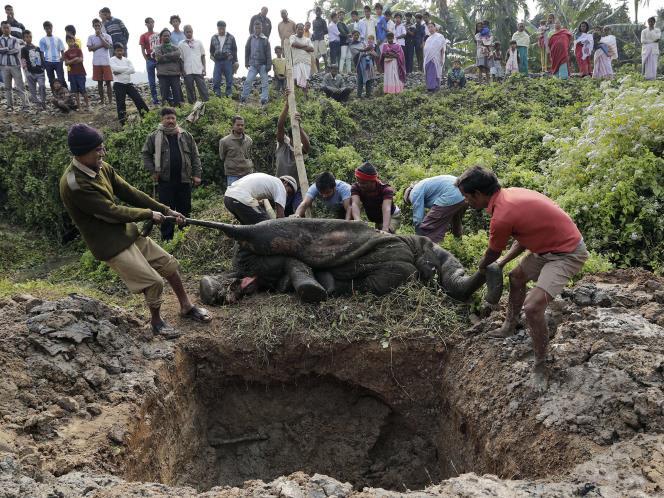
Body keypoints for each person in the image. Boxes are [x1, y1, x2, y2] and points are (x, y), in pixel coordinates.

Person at [61, 124, 210, 339]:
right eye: (97, 150)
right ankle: (157, 323)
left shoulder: (101, 167)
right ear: (81, 154)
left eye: (102, 148)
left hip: (126, 232)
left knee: (168, 263)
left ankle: (186, 306)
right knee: (153, 282)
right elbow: (110, 212)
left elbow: (129, 192)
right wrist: (148, 214)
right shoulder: (74, 185)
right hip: (109, 243)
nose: (102, 153)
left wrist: (165, 209)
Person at [455, 166, 588, 391]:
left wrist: (483, 267)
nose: (467, 202)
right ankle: (509, 325)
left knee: (533, 307)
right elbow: (523, 236)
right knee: (516, 277)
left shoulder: (502, 215)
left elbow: (491, 253)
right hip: (546, 248)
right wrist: (503, 263)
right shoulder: (508, 196)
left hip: (566, 253)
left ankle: (541, 364)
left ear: (478, 194)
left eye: (467, 197)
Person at [142, 108, 202, 241]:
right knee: (166, 210)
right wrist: (153, 170)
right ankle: (167, 239)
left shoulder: (185, 135)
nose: (170, 121)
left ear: (175, 119)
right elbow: (145, 154)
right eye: (167, 118)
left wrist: (197, 174)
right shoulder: (154, 137)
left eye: (172, 118)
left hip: (184, 179)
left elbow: (195, 156)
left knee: (185, 209)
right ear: (162, 120)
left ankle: (185, 237)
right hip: (165, 181)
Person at [403, 175, 466, 243]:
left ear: (407, 196)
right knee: (456, 220)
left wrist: (418, 236)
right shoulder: (423, 184)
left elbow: (418, 220)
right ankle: (458, 244)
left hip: (451, 194)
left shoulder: (414, 193)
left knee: (429, 227)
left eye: (410, 202)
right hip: (465, 193)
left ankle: (434, 251)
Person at [276, 94, 310, 211]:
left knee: (298, 210)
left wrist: (299, 127)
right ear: (289, 137)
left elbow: (307, 146)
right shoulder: (282, 144)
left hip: (297, 189)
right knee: (282, 211)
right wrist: (287, 106)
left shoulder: (300, 149)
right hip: (280, 186)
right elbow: (280, 126)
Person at [223, 172, 292, 224]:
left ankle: (243, 242)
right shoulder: (280, 185)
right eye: (289, 192)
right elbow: (280, 218)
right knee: (267, 226)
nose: (287, 196)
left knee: (248, 228)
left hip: (228, 197)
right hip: (240, 198)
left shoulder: (269, 180)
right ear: (285, 183)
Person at [351, 162, 401, 233]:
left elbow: (386, 208)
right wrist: (358, 221)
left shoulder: (386, 189)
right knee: (378, 234)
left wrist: (385, 229)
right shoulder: (356, 187)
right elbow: (355, 204)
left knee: (386, 235)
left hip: (392, 216)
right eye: (358, 182)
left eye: (363, 183)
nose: (360, 185)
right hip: (378, 219)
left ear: (372, 181)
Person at [110, 43, 149, 125]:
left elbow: (133, 70)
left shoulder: (127, 60)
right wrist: (127, 70)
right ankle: (123, 123)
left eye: (121, 50)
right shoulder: (112, 60)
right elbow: (115, 68)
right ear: (114, 51)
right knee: (121, 104)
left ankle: (146, 117)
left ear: (123, 50)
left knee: (138, 100)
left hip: (128, 84)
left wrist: (120, 72)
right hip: (118, 84)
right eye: (118, 51)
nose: (120, 52)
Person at [241, 21, 271, 105]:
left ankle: (264, 100)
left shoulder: (265, 39)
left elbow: (268, 53)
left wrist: (269, 65)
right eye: (256, 28)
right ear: (254, 28)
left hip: (263, 65)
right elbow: (247, 50)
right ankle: (243, 98)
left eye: (259, 28)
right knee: (248, 81)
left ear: (261, 28)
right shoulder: (250, 38)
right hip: (253, 65)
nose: (257, 29)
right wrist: (246, 62)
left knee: (265, 83)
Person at [219, 115, 253, 186]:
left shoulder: (249, 140)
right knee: (233, 196)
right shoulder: (225, 141)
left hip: (247, 174)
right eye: (238, 125)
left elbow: (250, 155)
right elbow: (222, 156)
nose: (240, 127)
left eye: (242, 125)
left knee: (247, 196)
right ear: (233, 125)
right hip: (233, 175)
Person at [0, 20, 26, 110]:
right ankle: (10, 106)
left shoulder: (15, 39)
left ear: (10, 29)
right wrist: (8, 49)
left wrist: (4, 49)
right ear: (1, 29)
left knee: (20, 86)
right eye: (4, 28)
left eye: (8, 28)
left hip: (15, 65)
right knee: (7, 87)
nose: (6, 29)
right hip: (4, 66)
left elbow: (16, 50)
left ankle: (25, 105)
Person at [179, 25, 208, 104]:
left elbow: (203, 56)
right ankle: (192, 106)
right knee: (190, 90)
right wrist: (182, 70)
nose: (189, 33)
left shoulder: (198, 42)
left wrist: (204, 68)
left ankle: (207, 104)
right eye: (187, 32)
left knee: (203, 89)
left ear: (192, 32)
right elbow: (180, 59)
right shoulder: (181, 44)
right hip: (187, 70)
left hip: (198, 69)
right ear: (184, 33)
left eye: (190, 31)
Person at [154, 29, 184, 106]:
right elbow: (159, 58)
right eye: (165, 36)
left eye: (168, 35)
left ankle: (178, 110)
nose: (167, 37)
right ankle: (165, 110)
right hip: (163, 74)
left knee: (177, 93)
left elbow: (177, 55)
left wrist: (165, 55)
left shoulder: (175, 47)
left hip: (174, 73)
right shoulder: (157, 48)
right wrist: (172, 56)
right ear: (161, 37)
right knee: (164, 94)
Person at [210, 21, 238, 98]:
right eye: (220, 29)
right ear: (217, 28)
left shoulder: (231, 37)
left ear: (225, 28)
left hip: (227, 60)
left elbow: (234, 50)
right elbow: (211, 50)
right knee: (216, 78)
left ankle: (228, 95)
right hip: (217, 61)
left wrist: (235, 61)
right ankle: (217, 94)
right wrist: (212, 57)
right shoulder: (213, 37)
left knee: (229, 78)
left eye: (223, 28)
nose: (221, 30)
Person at [88, 18, 113, 105]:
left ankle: (110, 101)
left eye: (99, 25)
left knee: (108, 82)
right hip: (96, 62)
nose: (97, 27)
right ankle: (102, 101)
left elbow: (108, 46)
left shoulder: (107, 36)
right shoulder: (90, 37)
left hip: (106, 62)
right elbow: (90, 49)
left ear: (101, 26)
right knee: (99, 82)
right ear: (93, 26)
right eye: (95, 26)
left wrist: (100, 37)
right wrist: (101, 44)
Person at [21, 30, 47, 109]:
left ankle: (43, 102)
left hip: (40, 72)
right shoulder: (24, 49)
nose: (29, 38)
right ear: (24, 38)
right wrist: (26, 71)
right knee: (32, 90)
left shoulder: (37, 48)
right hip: (30, 72)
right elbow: (23, 60)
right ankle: (37, 104)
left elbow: (42, 58)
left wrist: (43, 67)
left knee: (42, 86)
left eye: (30, 37)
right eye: (27, 37)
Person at [349, 30, 378, 98]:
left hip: (367, 63)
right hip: (360, 64)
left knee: (369, 79)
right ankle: (359, 95)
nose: (356, 36)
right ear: (352, 36)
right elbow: (356, 54)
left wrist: (368, 53)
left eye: (357, 35)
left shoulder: (362, 43)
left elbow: (369, 50)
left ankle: (368, 94)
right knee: (360, 79)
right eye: (355, 35)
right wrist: (366, 52)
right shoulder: (351, 45)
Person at [63, 35, 89, 110]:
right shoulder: (66, 53)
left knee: (83, 90)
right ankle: (79, 107)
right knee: (76, 92)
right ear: (67, 42)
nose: (70, 43)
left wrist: (71, 61)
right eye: (68, 41)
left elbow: (81, 60)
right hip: (72, 74)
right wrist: (75, 59)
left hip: (81, 73)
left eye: (72, 41)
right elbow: (66, 63)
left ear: (74, 41)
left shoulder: (79, 50)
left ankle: (88, 106)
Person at [139, 17, 160, 105]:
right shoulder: (143, 36)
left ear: (154, 23)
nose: (151, 24)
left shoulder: (158, 34)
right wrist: (146, 59)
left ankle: (165, 97)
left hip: (159, 59)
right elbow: (142, 49)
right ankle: (155, 100)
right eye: (149, 23)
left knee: (162, 78)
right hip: (150, 59)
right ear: (146, 24)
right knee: (152, 81)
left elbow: (161, 46)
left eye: (152, 22)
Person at [39, 21, 67, 88]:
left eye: (50, 28)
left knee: (61, 79)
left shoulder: (58, 39)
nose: (49, 30)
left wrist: (61, 60)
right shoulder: (42, 40)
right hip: (48, 62)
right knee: (51, 80)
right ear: (44, 29)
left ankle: (66, 94)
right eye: (47, 28)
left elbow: (62, 51)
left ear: (52, 28)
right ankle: (55, 95)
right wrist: (44, 63)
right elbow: (42, 53)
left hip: (58, 62)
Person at [290, 24, 314, 96]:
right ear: (296, 30)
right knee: (296, 79)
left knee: (304, 80)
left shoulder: (307, 39)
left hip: (306, 62)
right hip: (297, 62)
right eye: (299, 29)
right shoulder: (292, 37)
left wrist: (299, 46)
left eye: (302, 29)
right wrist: (305, 46)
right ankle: (298, 96)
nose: (300, 31)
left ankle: (305, 97)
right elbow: (293, 44)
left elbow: (312, 49)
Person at [423, 22, 446, 91]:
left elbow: (442, 49)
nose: (430, 28)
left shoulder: (440, 37)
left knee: (435, 73)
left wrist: (442, 59)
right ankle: (429, 88)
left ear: (435, 27)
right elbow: (426, 50)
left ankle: (435, 88)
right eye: (429, 27)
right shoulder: (428, 39)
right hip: (428, 59)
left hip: (436, 58)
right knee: (429, 73)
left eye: (432, 27)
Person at [312, 6, 328, 71]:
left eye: (319, 11)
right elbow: (313, 30)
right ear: (315, 12)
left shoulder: (323, 21)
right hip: (315, 40)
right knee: (316, 56)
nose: (318, 12)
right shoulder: (313, 21)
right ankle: (317, 70)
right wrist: (313, 36)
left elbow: (326, 31)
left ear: (321, 12)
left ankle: (326, 69)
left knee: (324, 54)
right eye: (317, 11)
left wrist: (321, 34)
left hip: (321, 39)